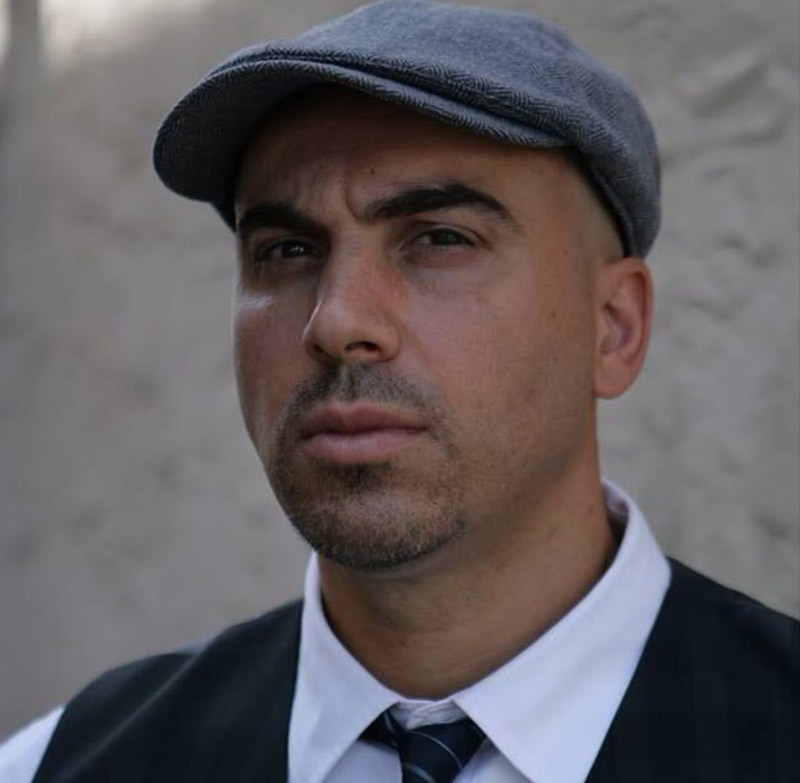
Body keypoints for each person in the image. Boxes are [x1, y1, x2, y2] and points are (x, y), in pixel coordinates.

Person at [1, 2, 797, 781]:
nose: (337, 320)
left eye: (441, 238)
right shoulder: (61, 763)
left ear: (612, 327)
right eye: (286, 249)